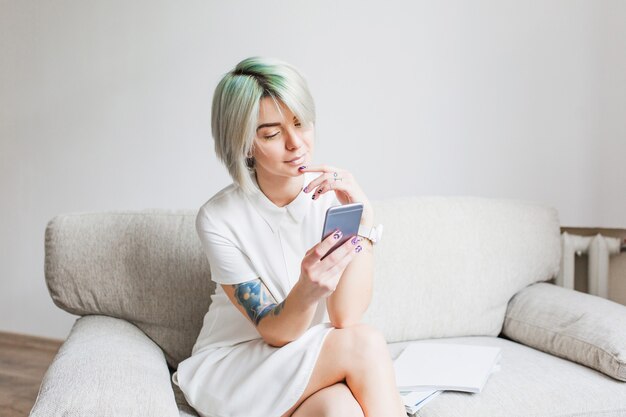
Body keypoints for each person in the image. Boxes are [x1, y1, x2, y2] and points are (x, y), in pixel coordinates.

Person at [172, 56, 406, 417]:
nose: (296, 143)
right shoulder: (218, 219)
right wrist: (306, 289)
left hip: (308, 360)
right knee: (366, 344)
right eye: (272, 133)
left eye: (301, 123)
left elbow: (345, 317)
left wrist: (365, 222)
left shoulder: (332, 200)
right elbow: (276, 332)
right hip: (239, 365)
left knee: (341, 409)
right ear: (245, 144)